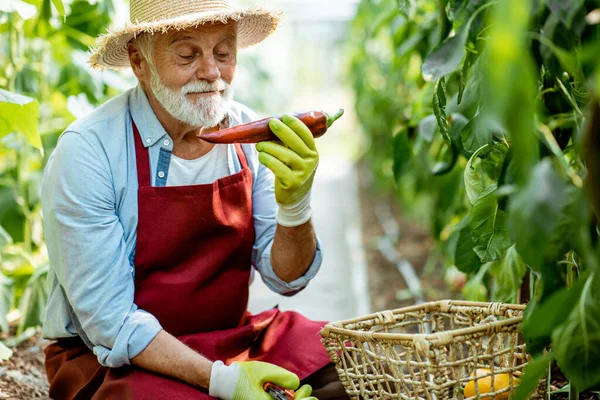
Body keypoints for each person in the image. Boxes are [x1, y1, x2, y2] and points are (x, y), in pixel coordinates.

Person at [41, 0, 349, 398]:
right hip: (114, 359)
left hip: (229, 338)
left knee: (353, 366)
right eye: (187, 54)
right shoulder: (88, 152)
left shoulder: (248, 137)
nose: (211, 72)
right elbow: (110, 321)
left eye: (224, 52)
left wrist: (295, 207)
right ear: (139, 62)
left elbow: (286, 278)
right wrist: (224, 382)